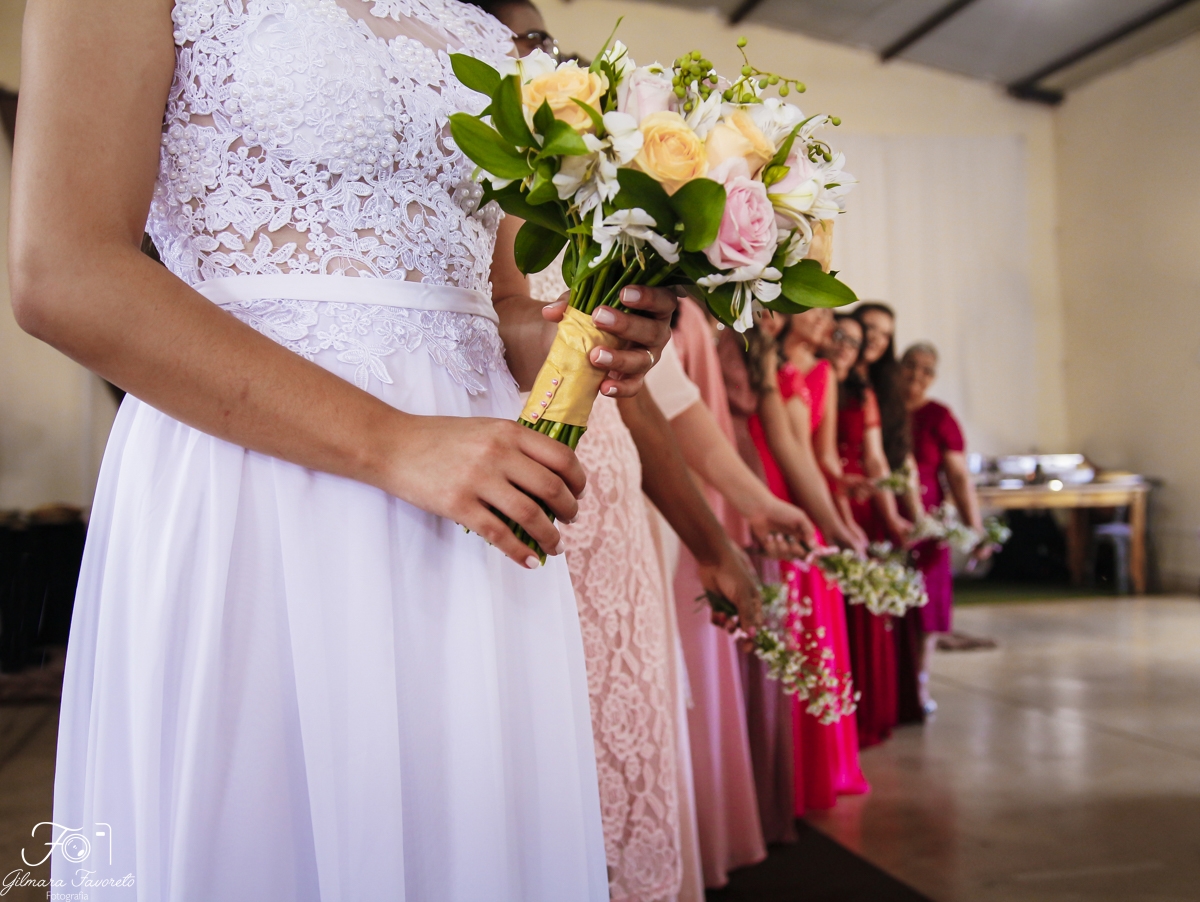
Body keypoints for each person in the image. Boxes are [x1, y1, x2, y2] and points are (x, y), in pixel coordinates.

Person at [11, 2, 684, 897]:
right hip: (260, 486)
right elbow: (64, 273)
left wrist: (583, 333)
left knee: (461, 831)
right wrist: (395, 443)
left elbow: (496, 303)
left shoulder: (484, 20)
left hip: (472, 504)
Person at [745, 311, 868, 815]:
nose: (823, 319)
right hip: (758, 488)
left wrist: (836, 519)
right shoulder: (762, 357)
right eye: (814, 304)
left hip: (787, 497)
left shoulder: (805, 372)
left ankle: (800, 770)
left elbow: (807, 452)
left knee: (799, 636)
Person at [827, 315, 910, 747]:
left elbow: (875, 458)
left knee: (867, 610)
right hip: (828, 495)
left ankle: (870, 709)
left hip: (861, 501)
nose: (846, 346)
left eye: (855, 342)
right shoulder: (818, 379)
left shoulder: (863, 392)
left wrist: (891, 514)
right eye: (840, 335)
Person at [900, 342, 992, 713]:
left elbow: (958, 476)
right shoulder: (883, 408)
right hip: (885, 515)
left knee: (927, 609)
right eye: (910, 365)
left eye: (926, 370)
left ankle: (920, 686)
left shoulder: (939, 416)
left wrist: (975, 528)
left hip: (929, 521)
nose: (916, 375)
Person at [852, 302, 923, 725]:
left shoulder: (882, 385)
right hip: (854, 495)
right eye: (870, 329)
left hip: (877, 497)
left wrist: (909, 509)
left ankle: (891, 701)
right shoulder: (841, 375)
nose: (876, 339)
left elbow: (892, 453)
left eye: (885, 334)